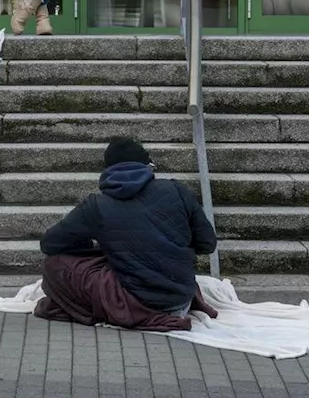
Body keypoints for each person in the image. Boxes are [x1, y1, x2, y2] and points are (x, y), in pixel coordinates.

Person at [35, 137, 220, 331]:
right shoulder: (177, 190)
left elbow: (50, 244)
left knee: (53, 265)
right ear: (147, 166)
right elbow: (207, 244)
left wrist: (91, 246)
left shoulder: (96, 206)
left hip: (139, 303)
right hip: (181, 298)